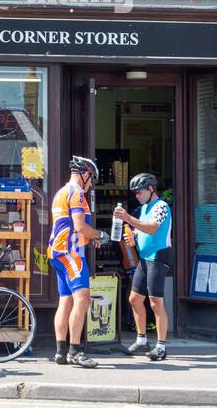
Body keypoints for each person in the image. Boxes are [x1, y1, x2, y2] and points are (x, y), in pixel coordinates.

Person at [48, 154, 106, 368]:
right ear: (85, 174)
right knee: (83, 299)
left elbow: (69, 227)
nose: (91, 185)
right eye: (91, 179)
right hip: (71, 254)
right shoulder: (77, 193)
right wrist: (99, 235)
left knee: (66, 300)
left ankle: (61, 351)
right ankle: (75, 351)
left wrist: (89, 239)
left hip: (57, 251)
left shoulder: (60, 193)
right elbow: (80, 226)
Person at [114, 172, 173, 361]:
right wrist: (134, 236)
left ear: (151, 189)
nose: (137, 196)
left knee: (156, 302)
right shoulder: (145, 207)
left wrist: (129, 219)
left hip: (158, 257)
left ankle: (161, 346)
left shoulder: (161, 206)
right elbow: (143, 230)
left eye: (139, 192)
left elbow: (153, 228)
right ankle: (141, 340)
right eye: (135, 193)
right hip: (145, 258)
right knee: (134, 299)